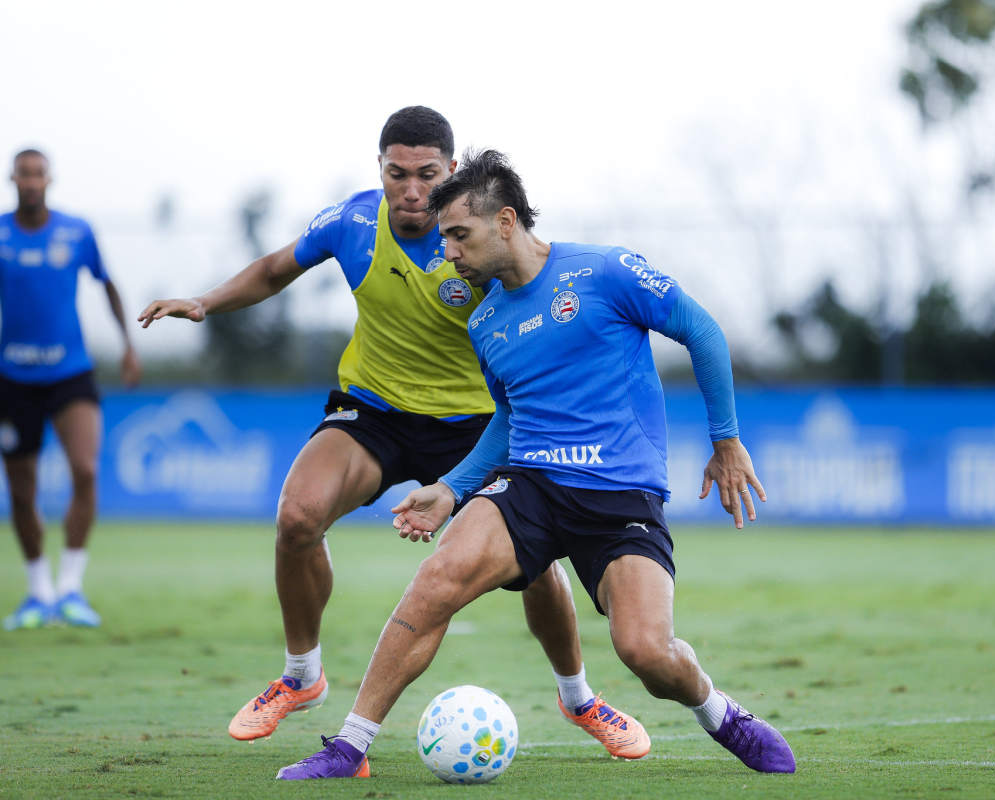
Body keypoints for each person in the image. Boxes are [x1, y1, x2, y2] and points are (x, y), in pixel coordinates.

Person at [138, 108, 646, 759]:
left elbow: (543, 313)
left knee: (535, 563)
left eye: (426, 175)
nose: (410, 189)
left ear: (451, 172)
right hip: (373, 410)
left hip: (475, 425)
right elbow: (274, 269)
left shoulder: (479, 240)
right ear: (378, 169)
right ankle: (301, 677)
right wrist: (206, 302)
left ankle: (579, 699)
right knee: (296, 517)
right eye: (396, 173)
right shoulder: (352, 222)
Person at [276, 149, 795, 780]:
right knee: (437, 580)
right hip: (531, 487)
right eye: (444, 240)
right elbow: (507, 418)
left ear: (506, 221)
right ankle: (349, 746)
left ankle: (719, 713)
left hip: (619, 498)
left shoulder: (604, 271)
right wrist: (451, 488)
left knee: (646, 652)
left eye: (458, 236)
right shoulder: (486, 320)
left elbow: (701, 329)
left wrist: (726, 439)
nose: (448, 255)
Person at [1, 148, 142, 630]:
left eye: (39, 174)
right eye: (25, 174)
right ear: (13, 179)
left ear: (49, 179)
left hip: (70, 373)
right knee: (21, 490)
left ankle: (70, 589)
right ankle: (38, 591)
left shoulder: (76, 231)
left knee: (84, 469)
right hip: (12, 379)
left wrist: (127, 344)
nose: (32, 181)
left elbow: (108, 284)